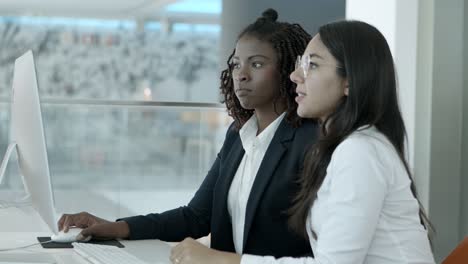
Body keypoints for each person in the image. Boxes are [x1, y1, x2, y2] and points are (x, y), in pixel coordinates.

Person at [58, 9, 318, 264]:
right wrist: (114, 227)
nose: (241, 74)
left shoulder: (310, 141)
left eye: (257, 64)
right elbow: (196, 216)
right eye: (236, 64)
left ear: (288, 71)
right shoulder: (238, 135)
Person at [237, 20, 436, 264]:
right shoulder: (346, 146)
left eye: (313, 65)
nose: (295, 75)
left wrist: (226, 261)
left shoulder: (359, 150)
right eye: (301, 63)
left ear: (350, 81)